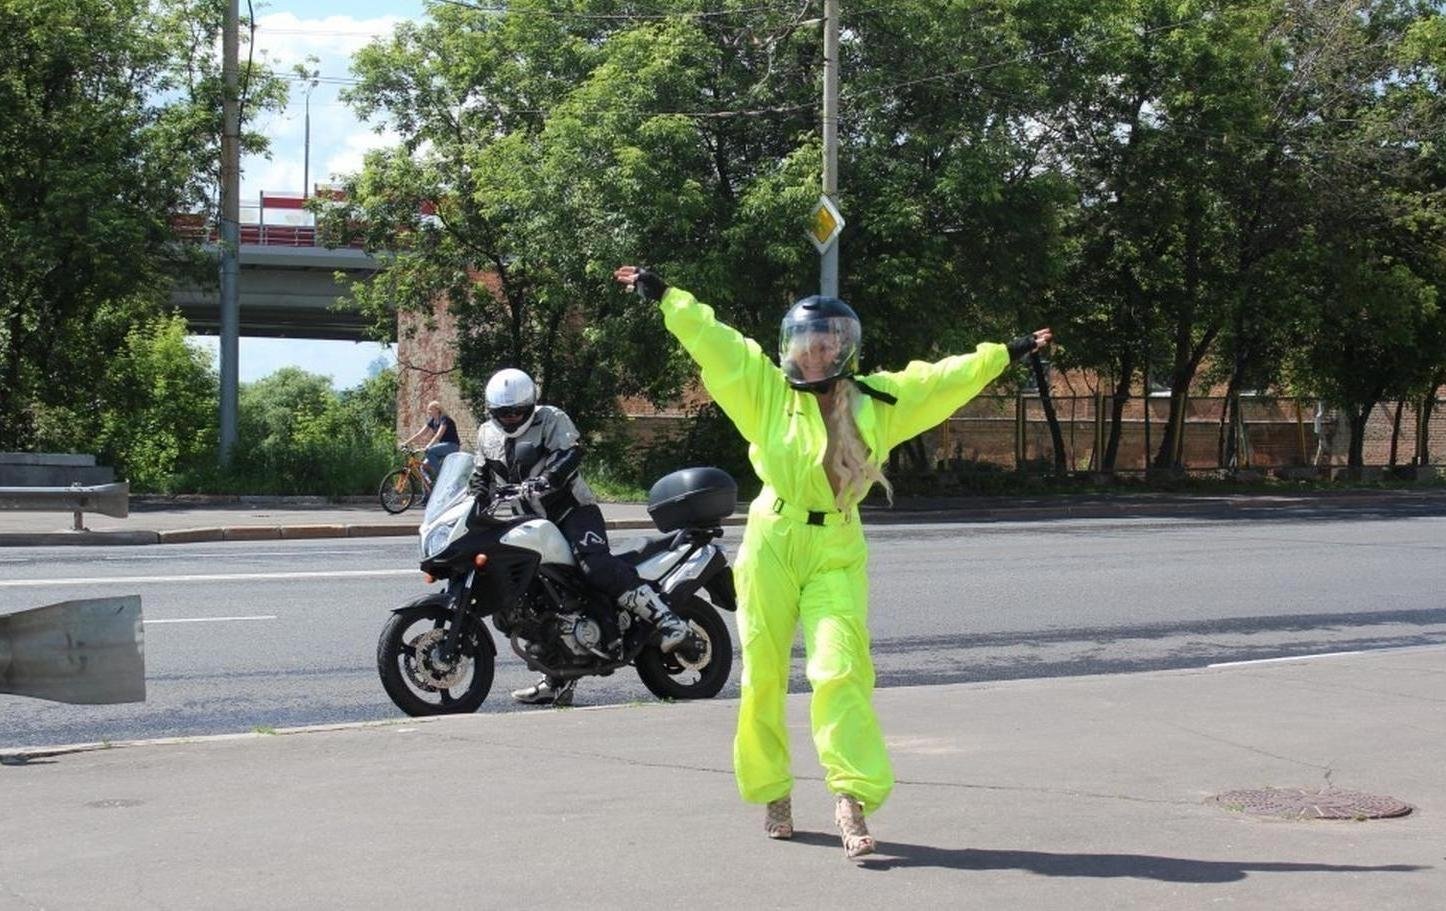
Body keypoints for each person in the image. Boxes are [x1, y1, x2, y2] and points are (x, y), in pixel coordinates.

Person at [614, 264, 1051, 860]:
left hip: (837, 548)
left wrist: (1007, 352)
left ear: (844, 349)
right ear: (789, 348)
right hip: (774, 540)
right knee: (763, 675)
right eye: (804, 344)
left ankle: (850, 797)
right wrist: (669, 297)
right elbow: (717, 344)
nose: (814, 355)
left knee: (841, 669)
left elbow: (942, 379)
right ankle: (773, 791)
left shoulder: (878, 401)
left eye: (825, 345)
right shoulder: (766, 392)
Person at [468, 367, 695, 708]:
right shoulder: (486, 434)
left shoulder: (552, 419)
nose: (511, 418)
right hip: (526, 521)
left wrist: (548, 479)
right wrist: (474, 497)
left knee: (595, 567)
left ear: (531, 405)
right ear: (491, 411)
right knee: (527, 596)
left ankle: (668, 620)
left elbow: (571, 453)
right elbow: (479, 475)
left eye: (517, 411)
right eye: (504, 413)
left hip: (570, 511)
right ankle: (557, 677)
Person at [401, 400, 461, 482]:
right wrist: (406, 443)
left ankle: (443, 475)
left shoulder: (444, 419)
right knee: (423, 467)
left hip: (452, 446)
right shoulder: (432, 421)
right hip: (443, 446)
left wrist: (428, 446)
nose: (428, 411)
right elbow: (419, 434)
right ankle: (429, 488)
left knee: (429, 451)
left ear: (437, 409)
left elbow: (438, 435)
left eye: (430, 409)